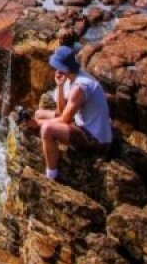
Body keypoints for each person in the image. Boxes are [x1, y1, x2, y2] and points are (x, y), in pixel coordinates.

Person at [33, 45, 113, 180]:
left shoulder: (81, 87)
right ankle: (47, 147)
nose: (55, 69)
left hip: (94, 138)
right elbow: (60, 112)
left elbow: (65, 119)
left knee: (47, 128)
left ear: (64, 67)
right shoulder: (72, 77)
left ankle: (51, 175)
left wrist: (38, 124)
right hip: (81, 124)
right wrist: (59, 86)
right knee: (38, 114)